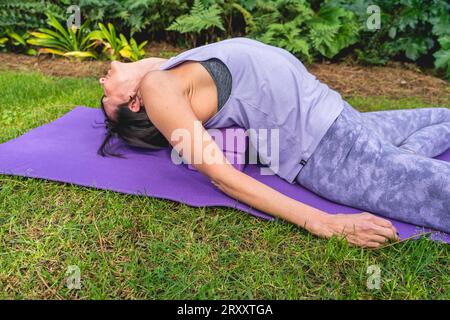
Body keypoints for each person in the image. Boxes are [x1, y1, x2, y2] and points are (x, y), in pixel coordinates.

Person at [98, 37, 450, 248]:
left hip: (342, 116)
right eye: (104, 93)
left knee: (441, 116)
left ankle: (403, 157)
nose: (101, 79)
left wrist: (137, 71)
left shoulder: (166, 68)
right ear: (133, 102)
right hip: (328, 153)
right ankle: (398, 163)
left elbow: (148, 68)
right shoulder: (158, 90)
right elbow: (223, 177)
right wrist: (321, 221)